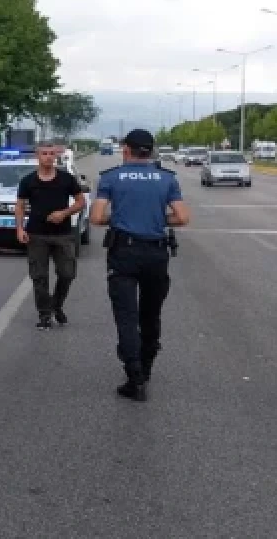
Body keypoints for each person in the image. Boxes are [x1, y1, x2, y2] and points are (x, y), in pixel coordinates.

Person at [89, 129, 190, 402]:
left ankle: (134, 377)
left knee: (126, 315)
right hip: (156, 254)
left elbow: (97, 218)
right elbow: (182, 217)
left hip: (124, 252)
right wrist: (157, 219)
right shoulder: (167, 179)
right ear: (151, 150)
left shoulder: (111, 177)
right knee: (150, 313)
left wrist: (121, 217)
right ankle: (146, 367)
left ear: (126, 149)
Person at [15, 141, 87, 330]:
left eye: (51, 153)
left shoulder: (66, 179)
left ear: (56, 156)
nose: (48, 157)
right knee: (39, 277)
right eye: (44, 153)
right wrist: (20, 229)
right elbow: (20, 205)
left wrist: (64, 213)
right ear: (37, 156)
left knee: (67, 274)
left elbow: (80, 202)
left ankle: (57, 305)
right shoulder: (28, 181)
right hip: (36, 234)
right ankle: (45, 314)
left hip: (62, 234)